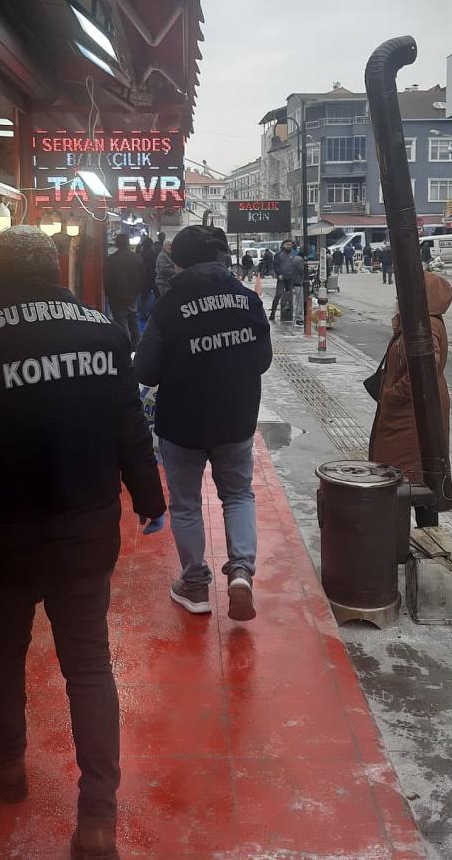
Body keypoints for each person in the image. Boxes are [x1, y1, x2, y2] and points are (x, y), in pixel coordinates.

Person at [0, 226, 165, 859]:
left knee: (4, 653)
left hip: (5, 532)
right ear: (55, 271)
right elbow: (131, 425)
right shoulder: (101, 330)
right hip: (85, 531)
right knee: (90, 667)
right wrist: (151, 501)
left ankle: (9, 766)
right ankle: (97, 818)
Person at [134, 226, 272, 621]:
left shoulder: (169, 306)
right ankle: (241, 571)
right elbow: (262, 360)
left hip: (182, 422)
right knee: (239, 494)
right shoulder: (248, 300)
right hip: (236, 418)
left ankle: (195, 585)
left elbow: (146, 369)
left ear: (178, 261)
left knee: (187, 504)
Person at [369, 271, 452, 529]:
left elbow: (425, 369)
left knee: (406, 476)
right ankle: (415, 536)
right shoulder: (420, 321)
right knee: (413, 475)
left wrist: (392, 395)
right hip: (411, 413)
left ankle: (404, 541)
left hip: (411, 416)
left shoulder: (425, 324)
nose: (398, 298)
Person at [105, 233, 143, 345]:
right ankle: (137, 346)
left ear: (117, 244)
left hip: (116, 296)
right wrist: (137, 290)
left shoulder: (112, 259)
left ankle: (126, 346)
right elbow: (142, 276)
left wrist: (108, 293)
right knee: (134, 321)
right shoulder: (137, 257)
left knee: (121, 323)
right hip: (133, 295)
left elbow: (108, 278)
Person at [138, 236, 157, 322]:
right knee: (152, 296)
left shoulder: (141, 255)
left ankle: (142, 313)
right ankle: (150, 313)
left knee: (143, 297)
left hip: (142, 279)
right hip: (152, 278)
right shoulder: (154, 254)